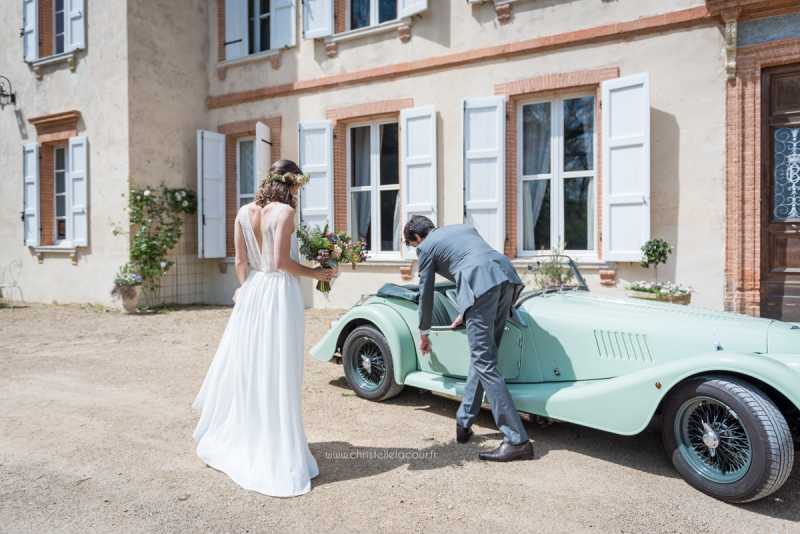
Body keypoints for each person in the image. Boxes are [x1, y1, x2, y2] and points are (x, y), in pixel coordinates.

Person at [192, 160, 334, 496]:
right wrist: (317, 274)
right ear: (292, 184)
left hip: (253, 290)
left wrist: (246, 290)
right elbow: (281, 262)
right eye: (299, 186)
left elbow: (241, 262)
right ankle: (276, 448)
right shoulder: (284, 212)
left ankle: (248, 437)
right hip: (278, 292)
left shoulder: (244, 212)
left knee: (251, 367)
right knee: (278, 367)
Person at [404, 215, 534, 462]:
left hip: (481, 287)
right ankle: (463, 424)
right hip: (505, 276)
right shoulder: (461, 229)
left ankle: (517, 440)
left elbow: (426, 292)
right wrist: (467, 312)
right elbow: (477, 262)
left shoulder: (426, 247)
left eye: (413, 246)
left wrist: (424, 334)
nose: (416, 250)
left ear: (417, 238)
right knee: (483, 357)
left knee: (484, 362)